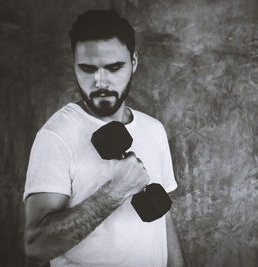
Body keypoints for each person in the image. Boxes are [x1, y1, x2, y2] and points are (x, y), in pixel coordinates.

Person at [23, 10, 185, 267]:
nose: (100, 81)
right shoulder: (55, 137)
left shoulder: (154, 130)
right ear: (74, 65)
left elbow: (163, 222)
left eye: (113, 67)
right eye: (87, 69)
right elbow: (36, 246)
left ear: (133, 62)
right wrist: (114, 193)